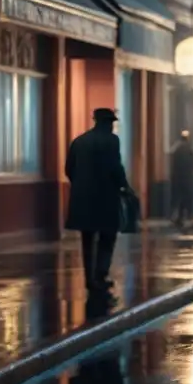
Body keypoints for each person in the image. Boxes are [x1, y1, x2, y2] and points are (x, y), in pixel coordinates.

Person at [65, 108, 132, 294]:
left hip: (82, 198)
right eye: (111, 122)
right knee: (107, 237)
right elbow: (115, 167)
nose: (112, 126)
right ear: (107, 123)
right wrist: (124, 186)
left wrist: (80, 186)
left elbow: (69, 168)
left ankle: (89, 279)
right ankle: (101, 275)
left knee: (87, 240)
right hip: (106, 197)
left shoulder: (79, 141)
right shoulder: (111, 141)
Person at [169, 130, 193, 232]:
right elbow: (192, 163)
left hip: (178, 177)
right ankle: (188, 215)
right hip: (186, 177)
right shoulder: (189, 149)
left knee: (180, 197)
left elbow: (174, 163)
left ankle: (180, 217)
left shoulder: (177, 148)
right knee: (187, 197)